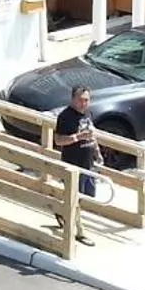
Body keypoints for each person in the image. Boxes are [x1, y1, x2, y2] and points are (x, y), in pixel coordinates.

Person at [53, 85, 102, 240]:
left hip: (87, 162)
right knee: (75, 197)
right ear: (73, 99)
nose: (83, 103)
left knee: (85, 196)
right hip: (72, 163)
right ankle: (80, 231)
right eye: (80, 100)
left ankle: (62, 212)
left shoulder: (88, 114)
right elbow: (58, 140)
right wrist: (77, 137)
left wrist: (97, 152)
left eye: (86, 100)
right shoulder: (65, 117)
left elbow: (92, 135)